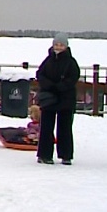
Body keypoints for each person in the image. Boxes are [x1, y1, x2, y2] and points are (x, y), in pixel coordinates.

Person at [35, 33, 80, 165]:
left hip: (65, 99)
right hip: (49, 99)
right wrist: (49, 86)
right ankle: (44, 155)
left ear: (66, 47)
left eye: (61, 45)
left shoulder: (71, 62)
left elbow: (73, 78)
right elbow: (40, 74)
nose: (58, 47)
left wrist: (60, 87)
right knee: (46, 128)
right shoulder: (48, 60)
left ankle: (66, 155)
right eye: (56, 45)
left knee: (65, 128)